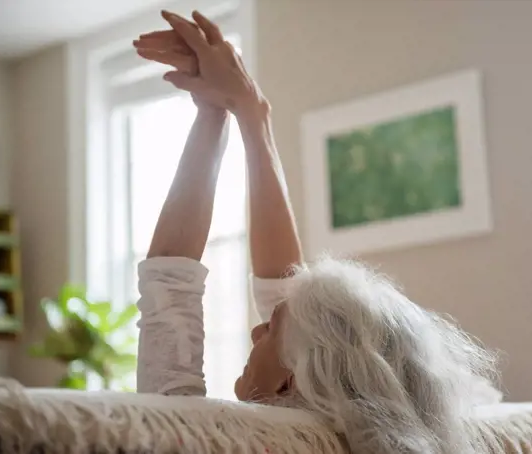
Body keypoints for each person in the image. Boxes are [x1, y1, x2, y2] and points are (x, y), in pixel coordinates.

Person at [133, 10, 500, 454]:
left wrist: (219, 113)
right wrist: (251, 113)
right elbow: (284, 289)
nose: (255, 332)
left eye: (270, 331)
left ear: (291, 378)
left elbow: (169, 284)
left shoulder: (215, 440)